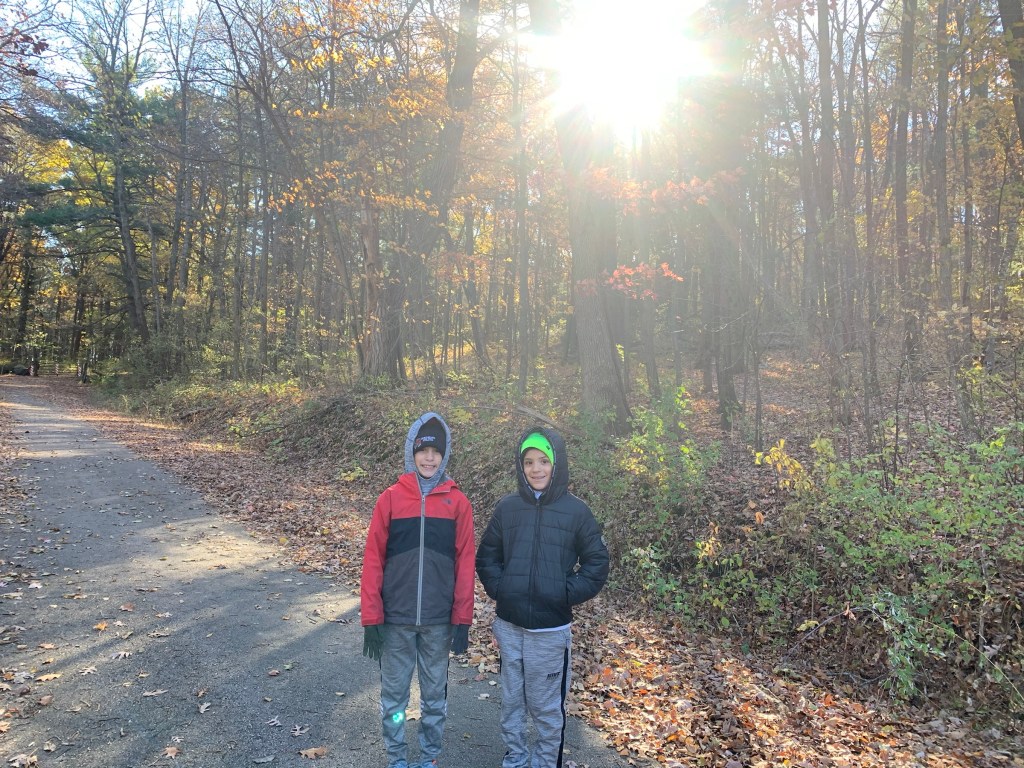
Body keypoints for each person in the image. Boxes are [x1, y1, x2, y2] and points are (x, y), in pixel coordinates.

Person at [475, 427, 609, 768]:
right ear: (521, 466)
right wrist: (502, 588)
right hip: (510, 627)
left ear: (556, 463)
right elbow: (487, 556)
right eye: (529, 461)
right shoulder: (508, 508)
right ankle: (516, 759)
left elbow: (596, 563)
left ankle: (545, 763)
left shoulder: (576, 511)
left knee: (546, 708)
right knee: (512, 703)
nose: (536, 469)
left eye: (543, 461)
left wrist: (562, 593)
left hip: (550, 633)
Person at [360, 412, 475, 768]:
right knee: (394, 700)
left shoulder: (458, 503)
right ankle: (397, 758)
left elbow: (465, 563)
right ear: (412, 452)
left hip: (438, 623)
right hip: (396, 620)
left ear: (444, 455)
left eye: (436, 452)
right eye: (423, 451)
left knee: (434, 699)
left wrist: (462, 618)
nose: (429, 458)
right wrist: (371, 617)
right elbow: (373, 559)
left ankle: (430, 758)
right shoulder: (391, 499)